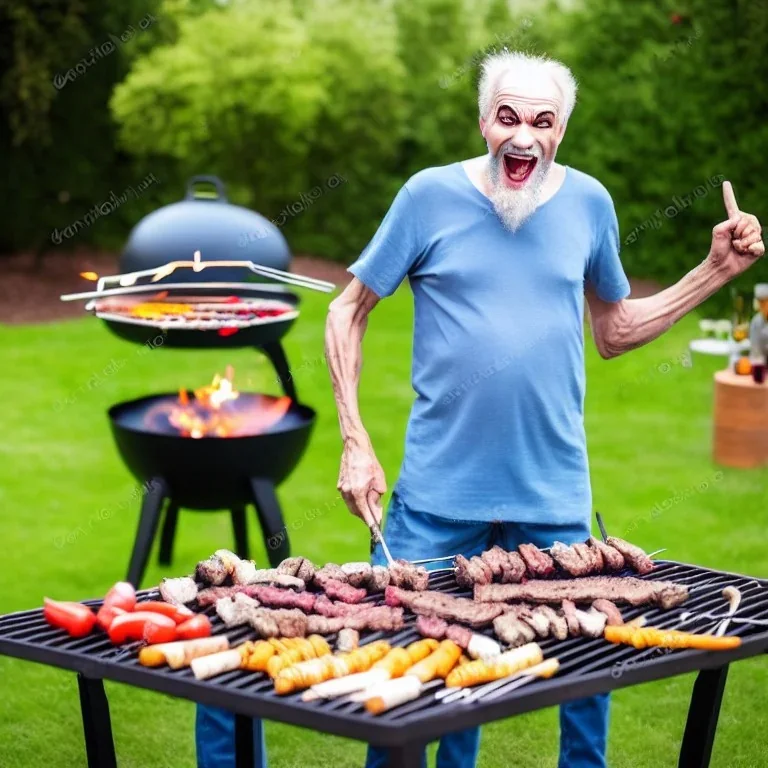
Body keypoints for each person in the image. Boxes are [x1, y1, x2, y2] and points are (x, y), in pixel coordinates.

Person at [324, 50, 763, 768]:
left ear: (561, 131)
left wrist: (714, 271)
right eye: (507, 118)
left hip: (553, 496)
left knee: (585, 683)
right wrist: (354, 439)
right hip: (438, 497)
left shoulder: (590, 203)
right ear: (483, 121)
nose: (522, 136)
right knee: (414, 689)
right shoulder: (427, 197)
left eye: (542, 121)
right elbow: (347, 311)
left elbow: (615, 330)